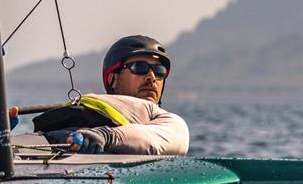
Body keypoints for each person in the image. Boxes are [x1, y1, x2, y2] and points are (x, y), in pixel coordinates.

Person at [13, 35, 189, 156]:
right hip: (53, 140)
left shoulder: (159, 118)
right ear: (113, 79)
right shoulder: (91, 102)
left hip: (95, 144)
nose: (151, 77)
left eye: (159, 71)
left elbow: (176, 137)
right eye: (139, 67)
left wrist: (105, 136)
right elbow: (178, 136)